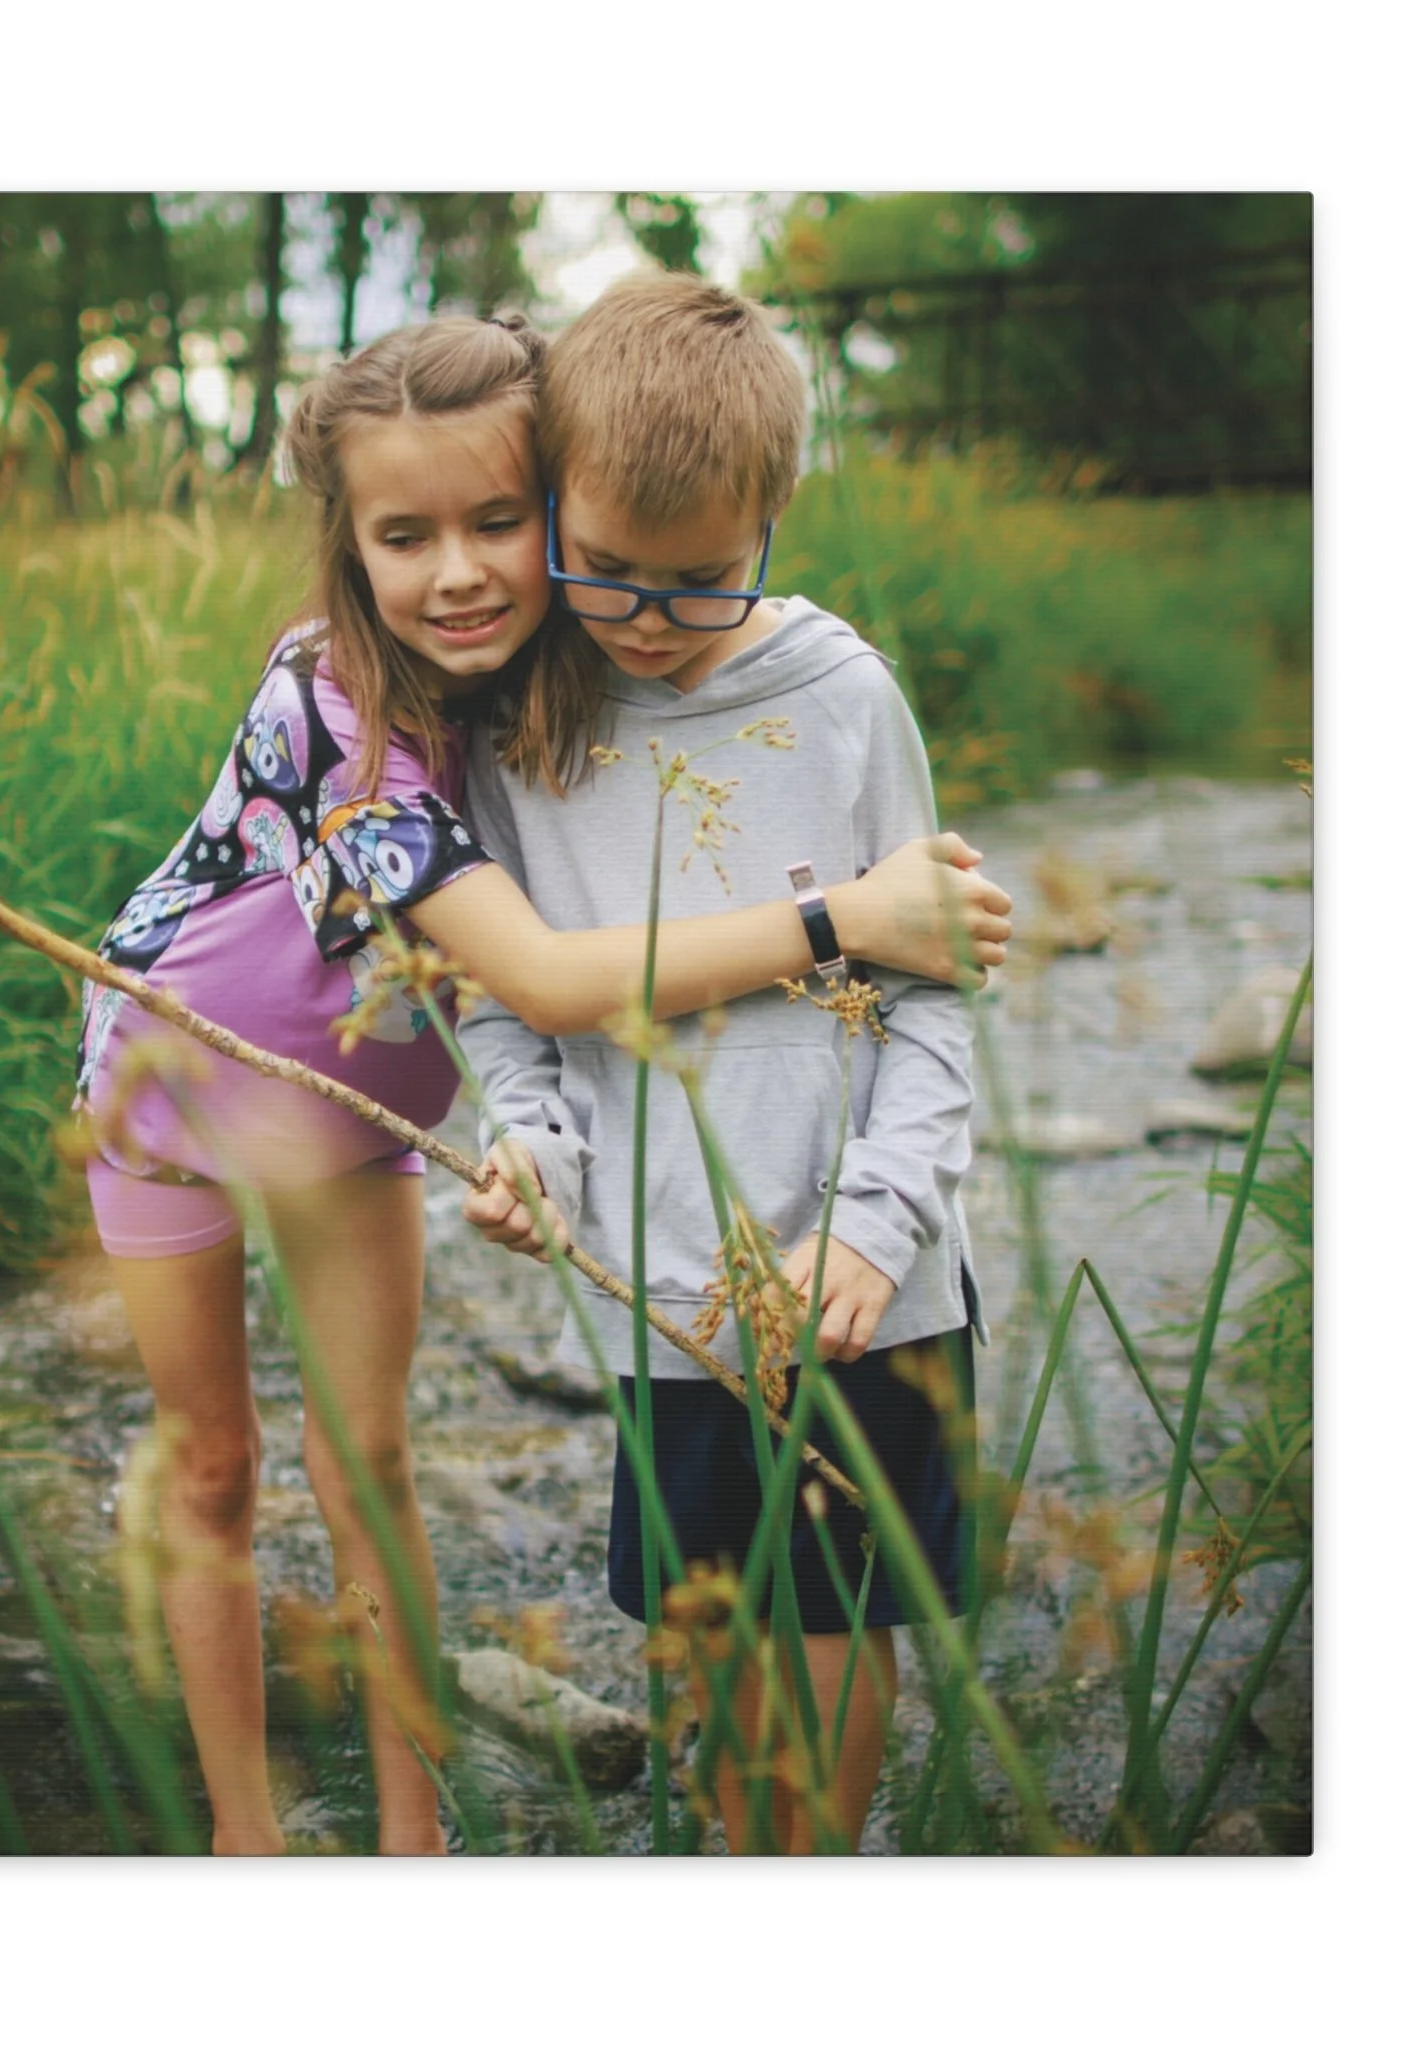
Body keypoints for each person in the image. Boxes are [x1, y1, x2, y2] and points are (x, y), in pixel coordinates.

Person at [78, 312, 1010, 1855]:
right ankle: (244, 1836)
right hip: (176, 1075)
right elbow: (549, 986)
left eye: (500, 521)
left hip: (369, 1111)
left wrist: (558, 1141)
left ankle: (414, 1841)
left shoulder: (586, 655)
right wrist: (847, 918)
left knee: (370, 1459)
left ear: (558, 504)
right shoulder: (340, 717)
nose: (460, 572)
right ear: (347, 537)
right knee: (217, 1462)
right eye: (405, 535)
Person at [458, 271, 985, 1854]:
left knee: (829, 1625)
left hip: (854, 1282)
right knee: (711, 1622)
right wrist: (536, 1147)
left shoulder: (842, 699)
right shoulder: (524, 719)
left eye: (698, 582)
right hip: (664, 1285)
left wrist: (875, 1229)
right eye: (605, 568)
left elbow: (935, 991)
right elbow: (511, 1001)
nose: (642, 616)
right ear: (556, 502)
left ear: (771, 521)